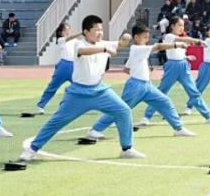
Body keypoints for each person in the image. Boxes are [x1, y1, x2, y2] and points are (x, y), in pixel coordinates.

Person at [19, 15, 144, 162]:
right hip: (78, 94)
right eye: (96, 30)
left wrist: (126, 39)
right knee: (56, 121)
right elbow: (84, 51)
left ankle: (127, 149)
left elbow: (120, 44)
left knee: (123, 111)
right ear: (86, 31)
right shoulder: (79, 44)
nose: (100, 32)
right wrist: (104, 49)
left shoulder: (104, 43)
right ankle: (32, 149)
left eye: (101, 29)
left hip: (99, 91)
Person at [87, 25, 195, 141]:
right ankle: (95, 130)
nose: (147, 40)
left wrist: (141, 72)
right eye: (144, 37)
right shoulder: (137, 49)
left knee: (164, 101)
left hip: (146, 86)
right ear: (136, 37)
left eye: (148, 37)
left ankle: (178, 128)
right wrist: (176, 45)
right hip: (135, 87)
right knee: (121, 109)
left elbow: (126, 69)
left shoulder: (138, 50)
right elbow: (158, 46)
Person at [140, 17, 210, 126]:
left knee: (194, 92)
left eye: (183, 26)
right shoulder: (169, 36)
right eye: (179, 25)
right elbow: (180, 41)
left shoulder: (180, 38)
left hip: (183, 66)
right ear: (172, 26)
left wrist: (186, 57)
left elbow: (178, 52)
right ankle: (146, 117)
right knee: (161, 92)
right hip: (172, 67)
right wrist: (198, 41)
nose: (182, 28)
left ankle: (208, 116)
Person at [36, 23, 82, 113]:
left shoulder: (75, 41)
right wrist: (81, 32)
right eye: (65, 30)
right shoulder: (61, 40)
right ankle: (41, 105)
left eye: (68, 30)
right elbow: (69, 38)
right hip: (63, 66)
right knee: (53, 87)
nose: (67, 32)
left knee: (81, 86)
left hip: (74, 66)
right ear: (60, 33)